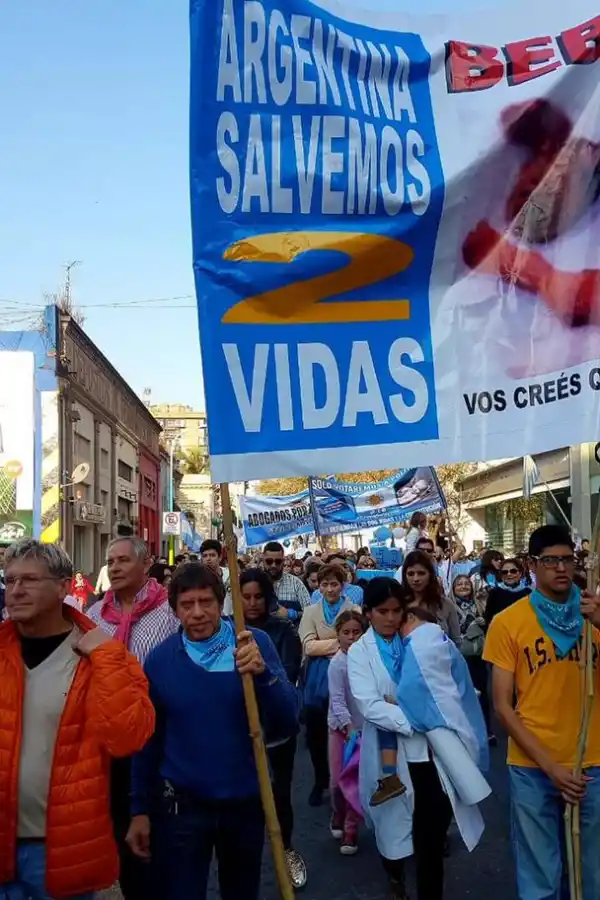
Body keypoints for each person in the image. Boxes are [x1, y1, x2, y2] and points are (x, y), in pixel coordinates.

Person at [127, 563, 298, 900]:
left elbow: (288, 720)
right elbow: (148, 742)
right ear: (174, 610)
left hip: (245, 802)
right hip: (183, 808)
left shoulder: (251, 643)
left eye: (206, 602)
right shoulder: (161, 661)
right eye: (187, 604)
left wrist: (264, 675)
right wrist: (139, 809)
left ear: (221, 603)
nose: (198, 612)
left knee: (241, 892)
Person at [0, 539, 155, 900]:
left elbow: (127, 738)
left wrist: (107, 657)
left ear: (64, 586)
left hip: (60, 851)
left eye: (29, 580)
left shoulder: (101, 656)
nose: (16, 591)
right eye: (9, 581)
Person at [348, 578, 483, 900]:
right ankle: (395, 877)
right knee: (393, 832)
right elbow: (370, 705)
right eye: (383, 611)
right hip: (389, 755)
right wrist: (417, 719)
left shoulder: (416, 640)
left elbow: (444, 682)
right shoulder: (359, 652)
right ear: (368, 612)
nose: (391, 618)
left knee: (431, 838)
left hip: (430, 756)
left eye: (397, 611)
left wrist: (437, 712)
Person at [484, 525, 600, 900]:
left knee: (592, 873)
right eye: (551, 561)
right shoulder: (508, 622)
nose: (562, 568)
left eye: (568, 559)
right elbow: (502, 704)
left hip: (592, 763)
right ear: (533, 565)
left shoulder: (593, 613)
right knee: (540, 878)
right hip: (534, 768)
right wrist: (550, 766)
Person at [87, 537, 180, 900]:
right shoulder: (93, 617)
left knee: (158, 835)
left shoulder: (170, 613)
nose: (114, 567)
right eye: (110, 561)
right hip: (108, 747)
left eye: (123, 560)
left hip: (158, 740)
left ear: (146, 565)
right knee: (119, 833)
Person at [239, 568, 306, 890]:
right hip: (242, 733)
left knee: (279, 795)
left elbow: (288, 677)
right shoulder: (226, 631)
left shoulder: (282, 631)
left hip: (277, 730)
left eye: (258, 597)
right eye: (245, 596)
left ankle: (286, 849)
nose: (252, 603)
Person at [299, 563, 360, 807]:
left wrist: (325, 644)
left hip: (348, 673)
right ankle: (320, 780)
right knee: (316, 732)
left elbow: (358, 640)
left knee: (346, 728)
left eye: (334, 583)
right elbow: (308, 645)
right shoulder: (311, 611)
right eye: (324, 584)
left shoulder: (353, 609)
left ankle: (347, 780)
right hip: (316, 678)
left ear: (342, 585)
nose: (329, 589)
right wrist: (340, 642)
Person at [328, 609, 367, 856]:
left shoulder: (366, 661)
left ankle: (351, 829)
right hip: (340, 729)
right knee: (336, 779)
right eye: (346, 632)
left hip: (363, 729)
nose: (351, 637)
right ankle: (338, 812)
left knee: (356, 780)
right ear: (338, 635)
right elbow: (338, 700)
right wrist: (347, 726)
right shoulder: (337, 664)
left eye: (356, 632)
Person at [452, 575, 495, 743]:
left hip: (478, 655)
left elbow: (490, 622)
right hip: (459, 655)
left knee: (483, 692)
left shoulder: (479, 603)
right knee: (462, 693)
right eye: (459, 584)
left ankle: (486, 729)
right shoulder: (450, 606)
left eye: (466, 584)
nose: (463, 586)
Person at [402, 550, 461, 644]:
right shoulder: (398, 605)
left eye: (421, 573)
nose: (416, 579)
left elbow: (456, 641)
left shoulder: (445, 605)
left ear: (430, 574)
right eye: (411, 574)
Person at [263, 541, 311, 621]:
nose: (273, 565)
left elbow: (310, 613)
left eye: (278, 561)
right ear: (263, 561)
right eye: (269, 561)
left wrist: (292, 614)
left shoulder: (296, 583)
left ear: (283, 561)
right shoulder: (255, 583)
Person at [484, 557, 530, 628]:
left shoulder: (528, 593)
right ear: (501, 576)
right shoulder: (494, 593)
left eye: (513, 571)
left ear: (520, 573)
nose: (509, 574)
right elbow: (488, 618)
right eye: (505, 572)